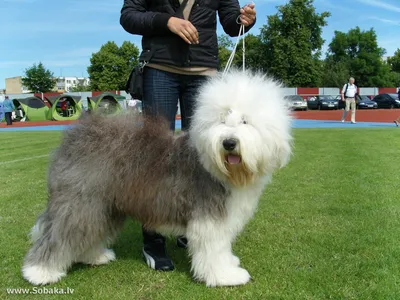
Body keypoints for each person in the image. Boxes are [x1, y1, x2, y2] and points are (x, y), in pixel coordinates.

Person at [120, 0, 256, 271]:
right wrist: (167, 21)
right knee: (155, 157)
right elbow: (129, 16)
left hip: (204, 72)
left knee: (203, 161)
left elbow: (231, 23)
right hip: (159, 68)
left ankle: (191, 229)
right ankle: (154, 238)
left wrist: (245, 20)